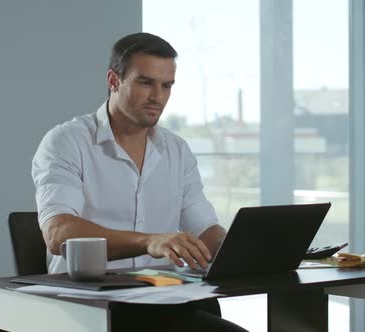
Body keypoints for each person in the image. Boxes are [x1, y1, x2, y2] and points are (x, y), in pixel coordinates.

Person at [31, 32, 247, 331]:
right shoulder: (66, 142)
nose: (157, 97)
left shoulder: (177, 150)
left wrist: (241, 250)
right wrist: (150, 241)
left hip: (164, 298)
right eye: (145, 83)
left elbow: (205, 230)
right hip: (91, 307)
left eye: (166, 85)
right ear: (114, 80)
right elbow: (58, 232)